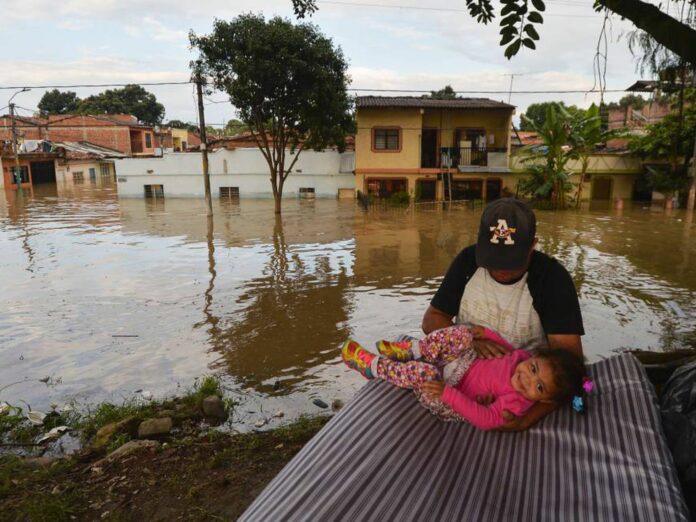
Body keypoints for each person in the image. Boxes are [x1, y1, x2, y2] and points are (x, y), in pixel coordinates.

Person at [422, 198, 584, 431]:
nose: (501, 269)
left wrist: (525, 420)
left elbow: (571, 364)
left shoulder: (552, 279)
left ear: (532, 246)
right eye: (493, 259)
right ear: (480, 245)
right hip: (464, 369)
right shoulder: (467, 261)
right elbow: (431, 319)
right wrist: (467, 341)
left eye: (511, 261)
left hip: (522, 389)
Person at [341, 324, 588, 430]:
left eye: (540, 387)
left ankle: (373, 366)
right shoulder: (520, 357)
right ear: (533, 357)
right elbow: (503, 347)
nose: (528, 379)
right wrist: (484, 333)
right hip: (458, 365)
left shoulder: (517, 403)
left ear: (544, 401)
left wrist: (448, 394)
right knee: (464, 334)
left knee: (424, 374)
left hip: (449, 397)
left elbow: (487, 419)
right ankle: (414, 350)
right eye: (533, 369)